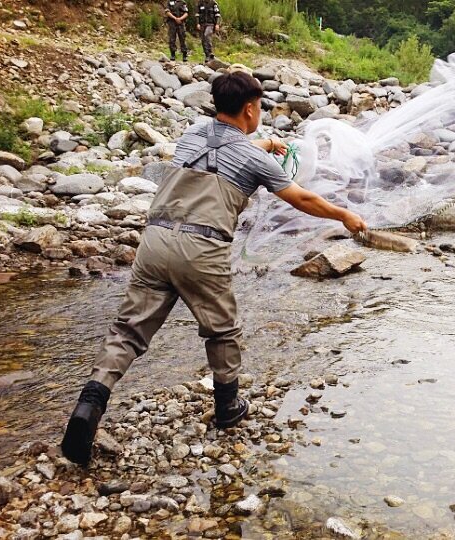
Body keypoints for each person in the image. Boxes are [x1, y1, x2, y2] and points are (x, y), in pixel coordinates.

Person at [60, 72, 367, 466]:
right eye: (261, 108)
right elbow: (301, 197)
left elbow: (222, 150)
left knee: (128, 331)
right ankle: (227, 408)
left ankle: (88, 406)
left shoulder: (192, 135)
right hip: (200, 249)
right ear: (251, 108)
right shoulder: (254, 159)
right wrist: (343, 215)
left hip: (154, 242)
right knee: (222, 330)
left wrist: (267, 142)